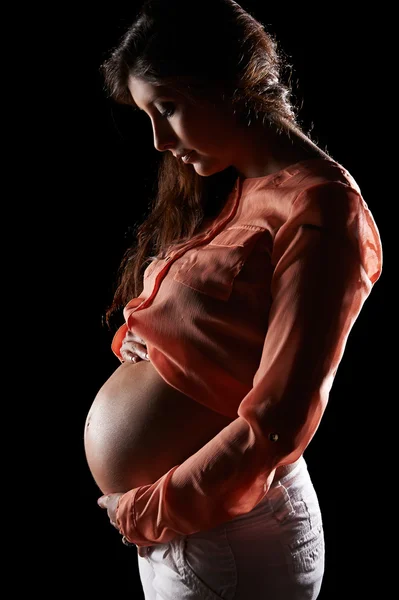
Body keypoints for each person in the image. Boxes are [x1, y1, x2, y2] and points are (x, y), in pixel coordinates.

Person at [88, 1, 383, 598]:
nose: (157, 139)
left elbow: (281, 420)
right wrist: (152, 338)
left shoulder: (322, 207)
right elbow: (221, 335)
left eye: (167, 108)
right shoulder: (243, 187)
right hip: (200, 529)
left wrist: (149, 510)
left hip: (230, 533)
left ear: (227, 84)